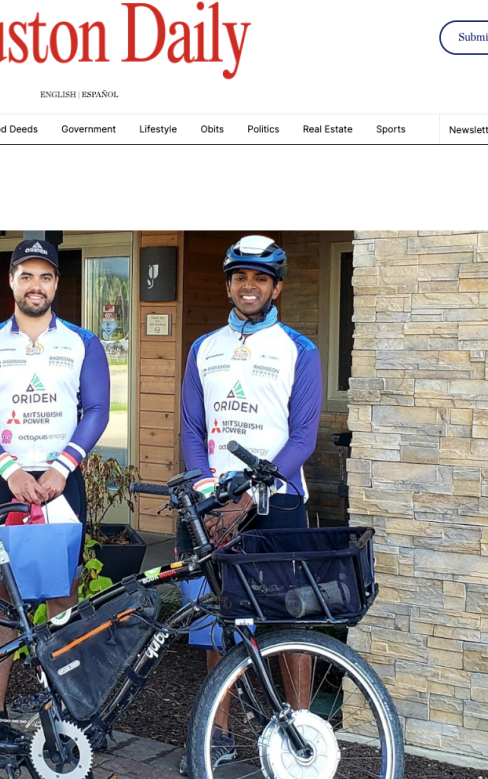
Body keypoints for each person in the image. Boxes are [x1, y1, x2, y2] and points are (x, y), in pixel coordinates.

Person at [178, 235, 322, 774]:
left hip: (277, 502)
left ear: (276, 288)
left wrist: (246, 498)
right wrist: (207, 493)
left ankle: (299, 731)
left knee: (289, 619)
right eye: (240, 276)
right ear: (229, 284)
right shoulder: (204, 348)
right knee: (222, 618)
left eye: (261, 278)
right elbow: (192, 429)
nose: (249, 286)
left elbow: (303, 437)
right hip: (214, 504)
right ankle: (220, 735)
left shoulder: (299, 350)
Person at [0, 238, 110, 734]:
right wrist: (11, 470)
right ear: (12, 281)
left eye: (45, 276)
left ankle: (64, 710)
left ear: (57, 283)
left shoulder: (83, 343)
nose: (35, 285)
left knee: (62, 594)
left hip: (62, 483)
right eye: (26, 276)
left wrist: (62, 468)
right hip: (6, 485)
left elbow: (97, 409)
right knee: (1, 596)